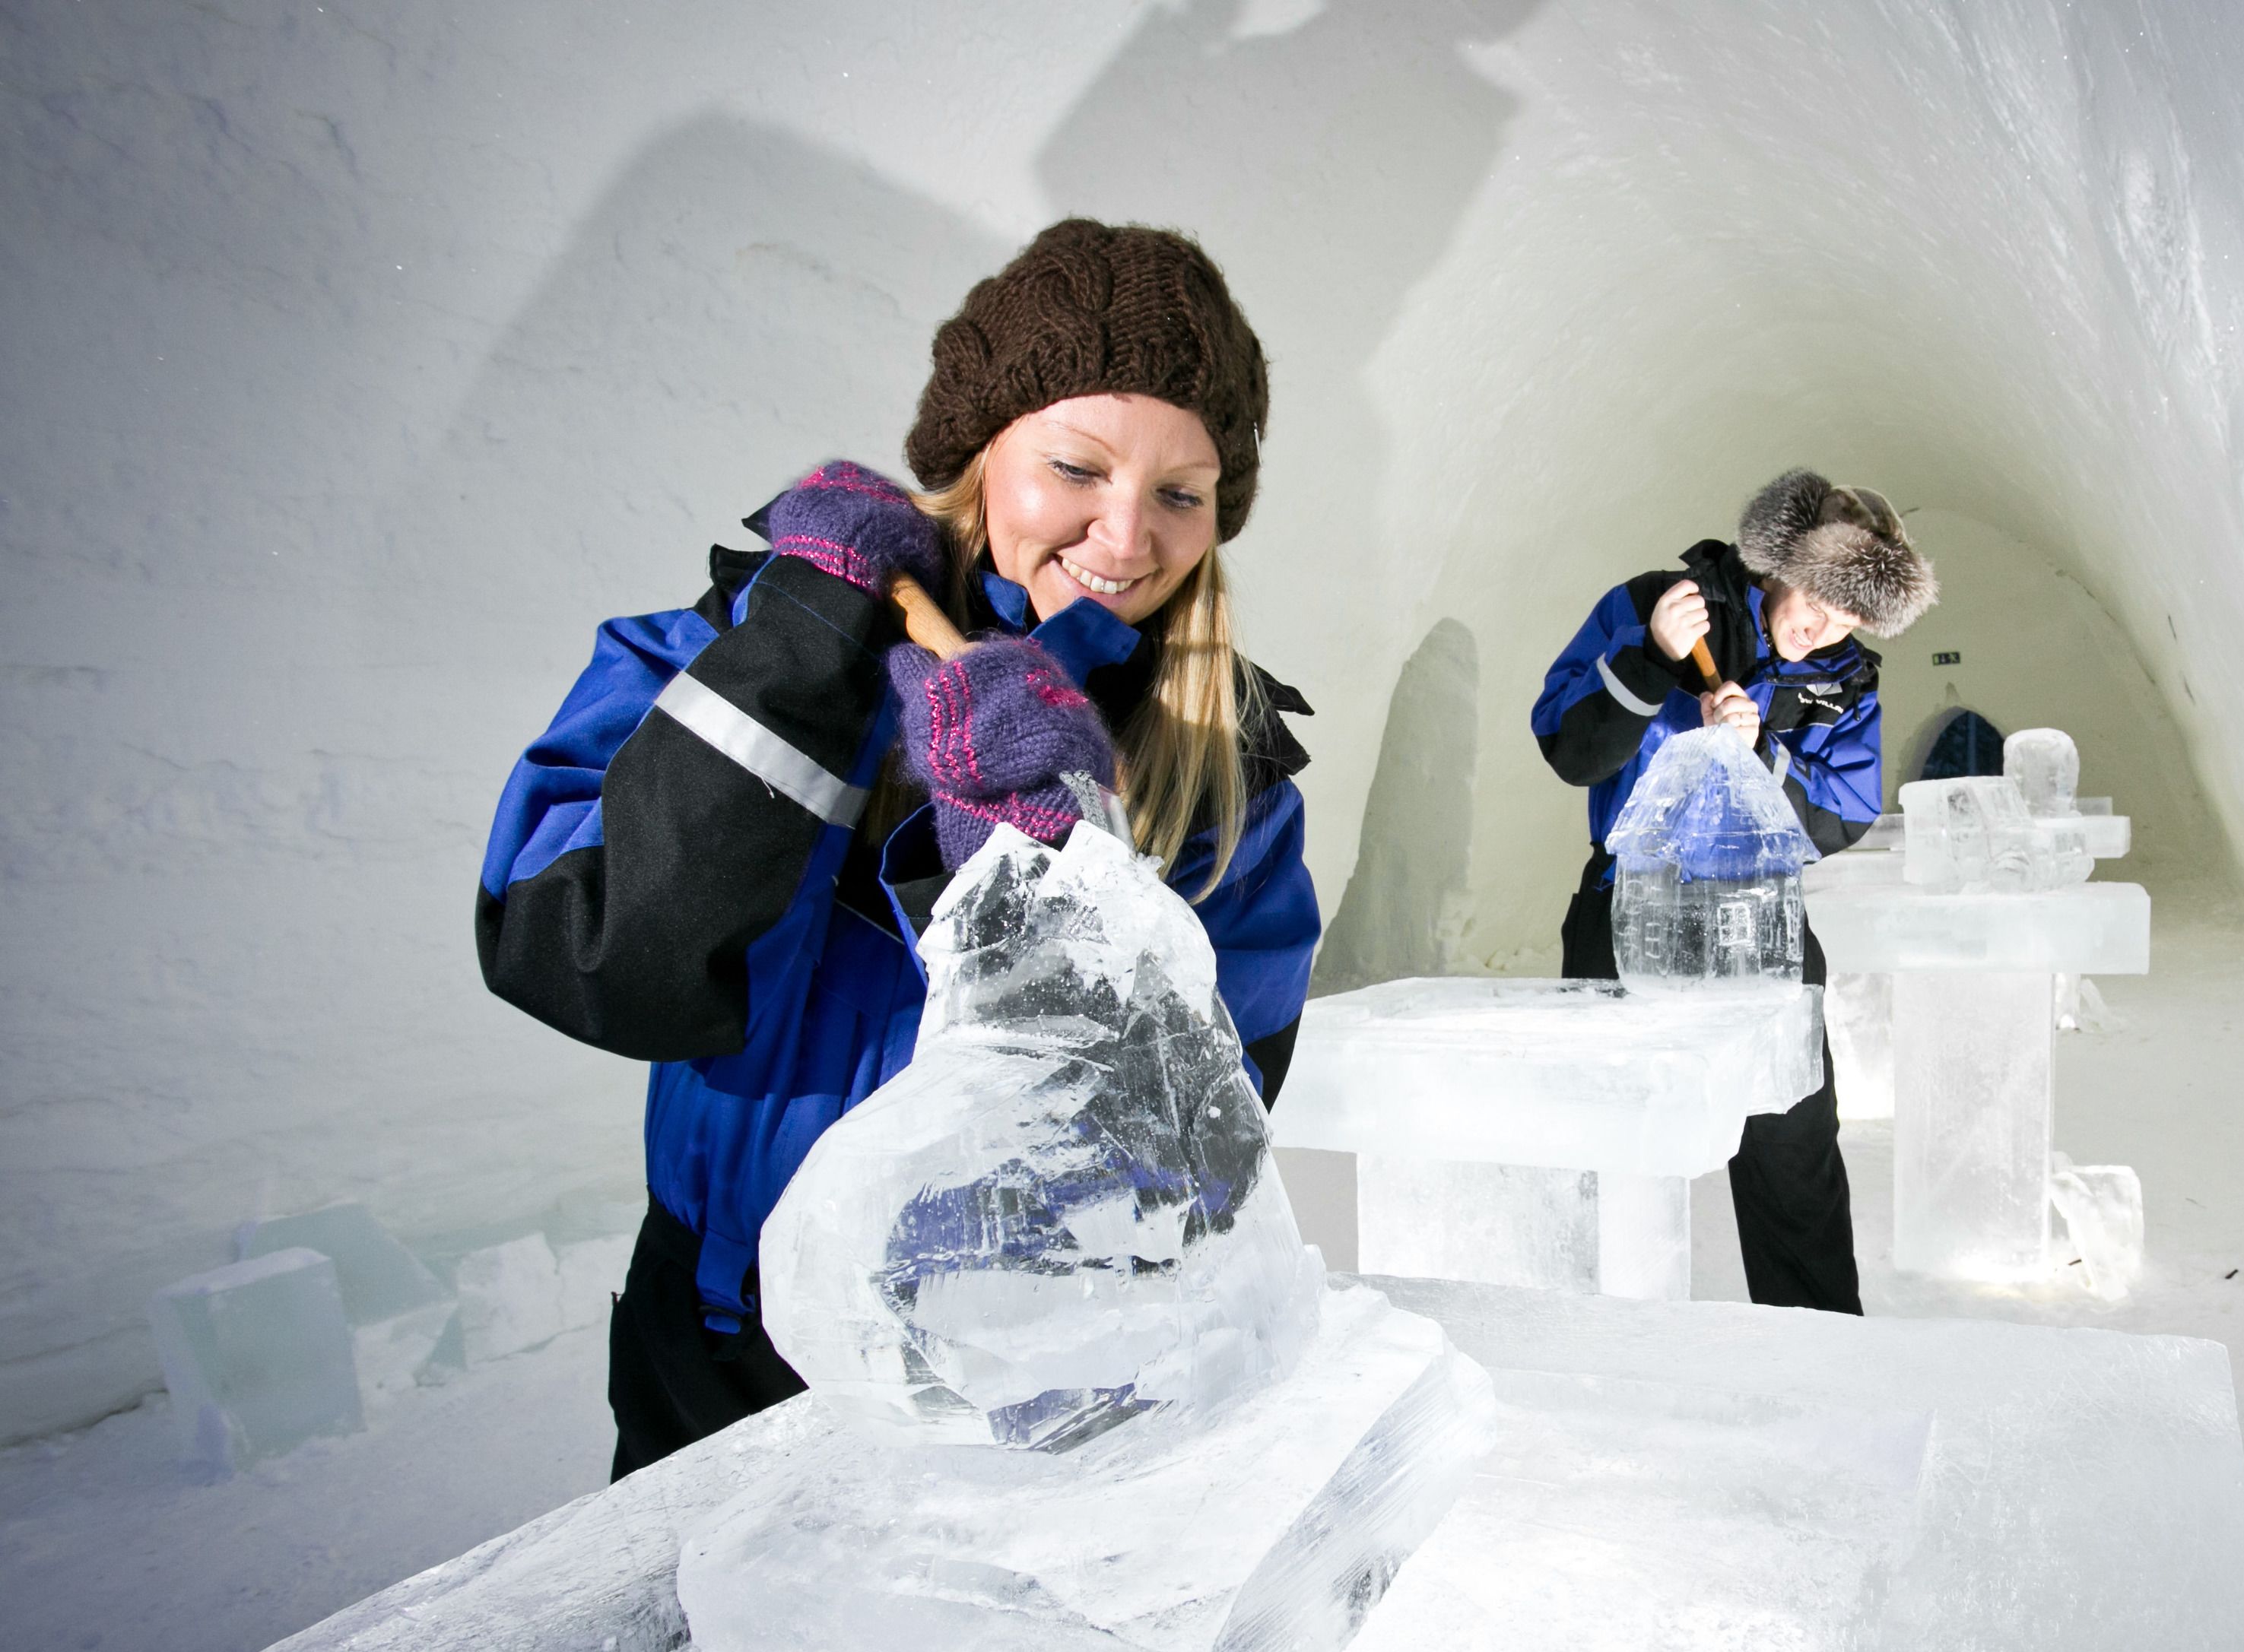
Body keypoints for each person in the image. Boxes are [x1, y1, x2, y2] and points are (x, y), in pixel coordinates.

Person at [477, 220, 1320, 1478]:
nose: (1127, 537)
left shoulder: (1226, 774)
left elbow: (1182, 1174)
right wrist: (800, 644)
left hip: (1008, 1382)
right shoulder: (733, 640)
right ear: (981, 454)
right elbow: (576, 949)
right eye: (1079, 467)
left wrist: (1025, 858)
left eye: (1180, 495)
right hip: (709, 1341)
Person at [1529, 470, 1935, 1313]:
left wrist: (1761, 757)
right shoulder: (1658, 604)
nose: (1824, 629)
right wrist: (1650, 659)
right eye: (1817, 600)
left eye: (1851, 618)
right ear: (1780, 565)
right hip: (1627, 911)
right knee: (1608, 1151)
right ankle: (1591, 1356)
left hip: (1762, 925)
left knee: (1795, 1158)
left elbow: (1841, 818)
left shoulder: (1847, 681)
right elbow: (1571, 751)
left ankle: (1820, 1359)